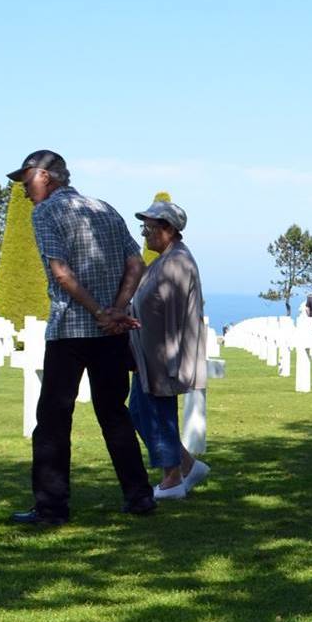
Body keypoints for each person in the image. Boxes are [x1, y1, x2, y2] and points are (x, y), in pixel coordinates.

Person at [8, 150, 157, 526]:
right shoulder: (104, 208)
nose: (25, 192)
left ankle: (51, 508)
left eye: (27, 182)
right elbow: (136, 263)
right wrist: (117, 310)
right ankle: (139, 497)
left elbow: (60, 272)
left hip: (71, 329)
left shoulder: (45, 213)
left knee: (54, 420)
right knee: (114, 413)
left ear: (46, 177)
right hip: (110, 333)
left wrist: (98, 312)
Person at [126, 199, 210, 501]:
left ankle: (172, 478)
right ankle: (187, 464)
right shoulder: (163, 259)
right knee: (138, 411)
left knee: (157, 414)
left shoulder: (176, 262)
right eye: (144, 227)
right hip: (148, 353)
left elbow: (174, 314)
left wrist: (171, 361)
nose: (145, 233)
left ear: (169, 229)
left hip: (163, 354)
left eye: (150, 227)